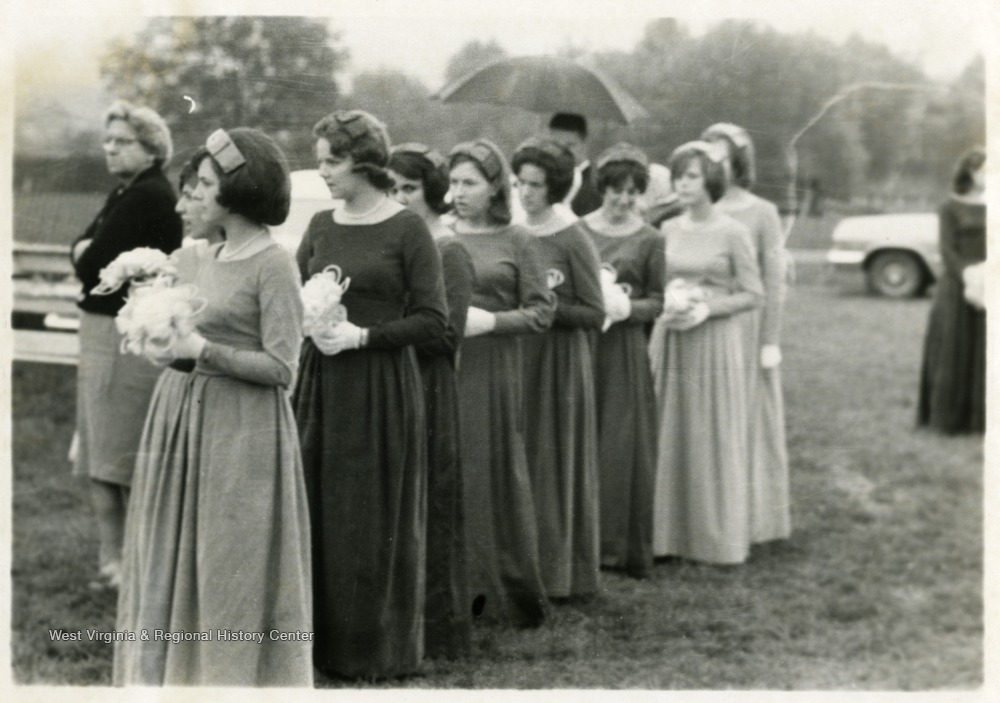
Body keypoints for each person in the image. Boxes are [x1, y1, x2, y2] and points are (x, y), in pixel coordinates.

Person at [114, 128, 312, 686]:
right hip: (178, 421)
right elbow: (177, 346)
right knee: (171, 553)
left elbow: (282, 368)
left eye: (204, 183)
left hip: (242, 430)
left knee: (227, 560)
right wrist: (160, 342)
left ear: (239, 190)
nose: (193, 195)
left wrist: (203, 350)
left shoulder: (274, 265)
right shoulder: (194, 256)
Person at [293, 111, 447, 679]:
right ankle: (310, 646)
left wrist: (363, 336)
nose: (322, 171)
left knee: (368, 515)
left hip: (380, 389)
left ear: (365, 162)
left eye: (331, 160)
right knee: (318, 505)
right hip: (321, 387)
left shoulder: (407, 229)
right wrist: (310, 326)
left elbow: (434, 321)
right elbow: (293, 294)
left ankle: (371, 648)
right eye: (320, 159)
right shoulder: (320, 225)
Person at [69, 100, 182, 590]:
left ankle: (127, 566)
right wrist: (83, 251)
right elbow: (86, 251)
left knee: (120, 454)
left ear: (152, 147)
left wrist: (83, 252)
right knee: (103, 450)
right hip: (105, 336)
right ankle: (113, 563)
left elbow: (89, 260)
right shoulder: (126, 191)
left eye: (122, 142)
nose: (110, 149)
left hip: (124, 340)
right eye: (107, 141)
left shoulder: (148, 196)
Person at [448, 138, 555, 626]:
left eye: (470, 182)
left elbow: (541, 312)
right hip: (439, 367)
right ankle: (445, 589)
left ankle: (492, 588)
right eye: (453, 182)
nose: (459, 191)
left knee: (486, 472)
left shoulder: (518, 240)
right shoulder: (437, 235)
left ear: (495, 188)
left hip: (490, 371)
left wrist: (492, 323)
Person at [649, 141, 763, 565]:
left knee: (709, 433)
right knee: (670, 430)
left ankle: (715, 539)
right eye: (678, 175)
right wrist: (671, 299)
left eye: (692, 175)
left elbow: (754, 294)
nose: (682, 182)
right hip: (674, 338)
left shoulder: (733, 231)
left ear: (711, 180)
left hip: (714, 344)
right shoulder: (668, 229)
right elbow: (656, 283)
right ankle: (667, 536)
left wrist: (706, 308)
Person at [387, 143, 474, 659]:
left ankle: (436, 625)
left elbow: (447, 335)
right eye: (392, 189)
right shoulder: (400, 242)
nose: (399, 199)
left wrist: (389, 324)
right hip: (394, 379)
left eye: (409, 189)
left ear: (433, 192)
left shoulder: (448, 250)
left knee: (431, 502)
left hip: (430, 385)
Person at [512, 136, 604, 599]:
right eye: (520, 183)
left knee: (551, 463)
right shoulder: (512, 231)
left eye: (536, 185)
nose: (526, 193)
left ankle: (558, 572)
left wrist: (548, 308)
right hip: (517, 359)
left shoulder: (572, 237)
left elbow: (594, 312)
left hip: (559, 366)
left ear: (556, 189)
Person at [579, 143, 665, 579]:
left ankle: (616, 545)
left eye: (633, 192)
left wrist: (629, 309)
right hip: (584, 346)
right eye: (617, 190)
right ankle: (580, 540)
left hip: (625, 351)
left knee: (620, 444)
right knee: (581, 439)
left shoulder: (650, 239)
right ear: (602, 189)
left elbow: (659, 301)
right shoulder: (579, 229)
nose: (624, 200)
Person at [702, 122, 791, 544]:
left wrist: (770, 340)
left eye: (721, 153)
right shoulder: (699, 210)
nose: (714, 160)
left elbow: (773, 281)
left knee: (747, 420)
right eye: (708, 153)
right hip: (705, 328)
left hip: (748, 327)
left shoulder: (761, 212)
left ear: (739, 159)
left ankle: (752, 518)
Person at [917, 148, 986, 434]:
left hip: (989, 281)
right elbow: (947, 250)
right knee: (954, 348)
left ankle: (979, 419)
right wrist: (968, 276)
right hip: (957, 285)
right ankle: (949, 419)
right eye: (986, 170)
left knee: (984, 350)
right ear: (970, 172)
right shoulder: (949, 206)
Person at [548, 112, 602, 216]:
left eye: (569, 145)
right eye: (556, 145)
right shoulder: (553, 179)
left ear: (584, 144)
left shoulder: (593, 187)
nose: (561, 152)